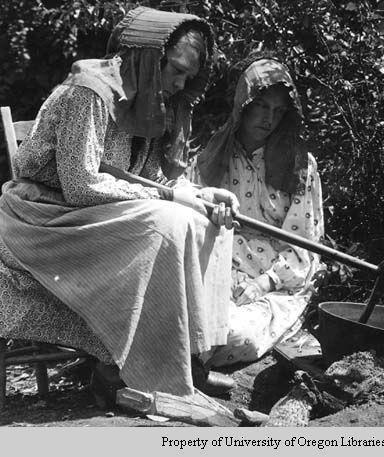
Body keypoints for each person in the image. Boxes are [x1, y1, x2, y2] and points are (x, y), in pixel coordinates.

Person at [0, 7, 238, 397]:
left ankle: (189, 359)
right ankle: (119, 374)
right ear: (147, 58)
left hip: (91, 216)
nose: (179, 84)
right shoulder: (89, 93)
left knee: (206, 220)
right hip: (43, 220)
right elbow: (80, 185)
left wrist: (199, 195)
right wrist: (168, 197)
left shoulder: (145, 103)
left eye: (187, 77)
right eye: (176, 70)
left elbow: (144, 177)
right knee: (164, 224)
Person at [188, 57, 325, 366]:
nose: (268, 119)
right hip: (216, 268)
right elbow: (189, 215)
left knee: (235, 334)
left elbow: (304, 247)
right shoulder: (213, 156)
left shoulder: (299, 166)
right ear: (244, 105)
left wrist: (264, 283)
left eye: (278, 111)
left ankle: (194, 362)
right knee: (185, 319)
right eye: (262, 106)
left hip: (272, 285)